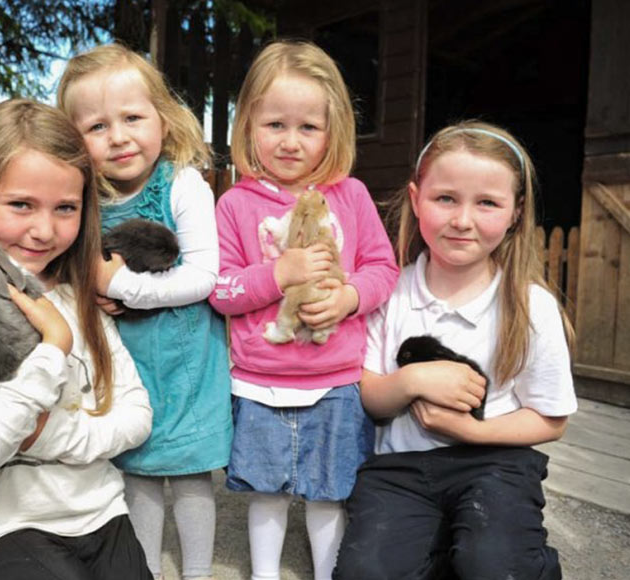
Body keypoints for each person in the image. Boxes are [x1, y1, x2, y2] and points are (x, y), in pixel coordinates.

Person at [0, 99, 154, 580]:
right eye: (21, 205)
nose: (43, 230)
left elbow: (136, 416)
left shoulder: (79, 293)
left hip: (98, 513)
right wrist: (53, 348)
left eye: (65, 209)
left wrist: (42, 437)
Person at [332, 121, 578, 580]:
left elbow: (552, 419)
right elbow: (367, 393)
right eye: (445, 198)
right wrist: (410, 381)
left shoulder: (529, 306)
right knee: (365, 573)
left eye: (487, 203)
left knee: (493, 565)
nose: (462, 219)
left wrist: (468, 430)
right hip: (400, 467)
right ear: (415, 199)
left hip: (496, 464)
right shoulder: (389, 291)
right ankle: (443, 549)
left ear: (516, 213)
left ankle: (518, 561)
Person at [208, 40, 399, 580]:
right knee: (265, 491)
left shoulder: (352, 196)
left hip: (336, 377)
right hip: (260, 378)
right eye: (274, 125)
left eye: (308, 128)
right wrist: (278, 275)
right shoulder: (236, 204)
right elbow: (220, 290)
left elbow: (383, 270)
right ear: (248, 126)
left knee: (328, 492)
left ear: (332, 130)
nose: (290, 142)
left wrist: (348, 297)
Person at [57, 44, 232, 580]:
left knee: (191, 471)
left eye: (133, 117)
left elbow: (203, 277)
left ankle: (197, 571)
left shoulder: (182, 183)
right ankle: (148, 569)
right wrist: (94, 293)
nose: (119, 136)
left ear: (162, 115)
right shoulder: (84, 196)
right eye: (97, 126)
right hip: (123, 357)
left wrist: (124, 286)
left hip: (186, 358)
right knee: (137, 469)